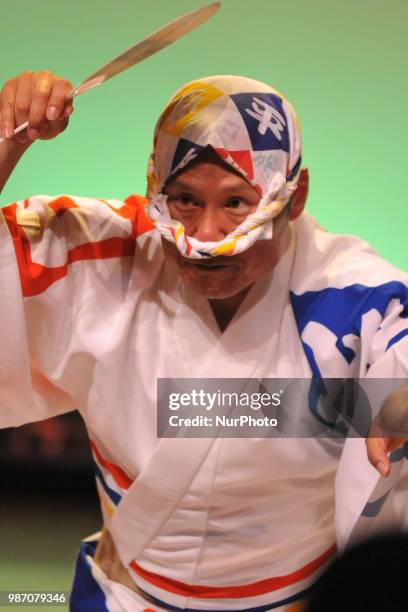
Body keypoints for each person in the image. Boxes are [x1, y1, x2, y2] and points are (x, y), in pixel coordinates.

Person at [0, 71, 407, 612]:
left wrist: (394, 404)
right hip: (127, 597)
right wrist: (8, 140)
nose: (207, 238)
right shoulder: (105, 257)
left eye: (237, 203)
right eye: (185, 200)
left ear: (295, 195)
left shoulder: (354, 296)